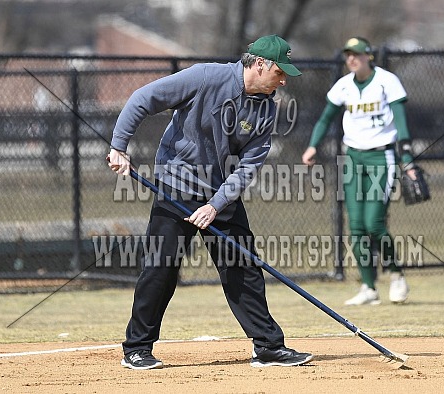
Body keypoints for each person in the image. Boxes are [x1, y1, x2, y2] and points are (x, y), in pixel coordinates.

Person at [108, 34, 313, 369]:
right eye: (279, 70)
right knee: (161, 266)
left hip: (221, 197)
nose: (284, 78)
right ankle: (137, 348)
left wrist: (215, 205)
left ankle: (268, 347)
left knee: (243, 268)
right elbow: (143, 98)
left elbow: (248, 167)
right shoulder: (205, 77)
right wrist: (119, 146)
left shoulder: (266, 109)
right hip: (178, 186)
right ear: (259, 65)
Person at [302, 37, 415, 306]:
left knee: (374, 223)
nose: (352, 59)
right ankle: (368, 287)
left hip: (381, 156)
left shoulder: (387, 81)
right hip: (352, 158)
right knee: (355, 227)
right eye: (348, 55)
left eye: (357, 54)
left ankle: (396, 274)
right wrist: (312, 146)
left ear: (369, 56)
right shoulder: (344, 85)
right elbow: (325, 118)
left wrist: (407, 157)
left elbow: (401, 120)